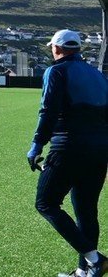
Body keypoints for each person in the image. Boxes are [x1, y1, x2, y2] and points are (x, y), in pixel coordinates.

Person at [28, 29, 108, 277]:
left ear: (58, 48)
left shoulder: (57, 71)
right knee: (86, 210)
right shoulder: (97, 74)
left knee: (46, 203)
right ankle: (84, 272)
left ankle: (95, 260)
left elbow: (48, 112)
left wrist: (36, 145)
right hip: (100, 150)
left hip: (69, 147)